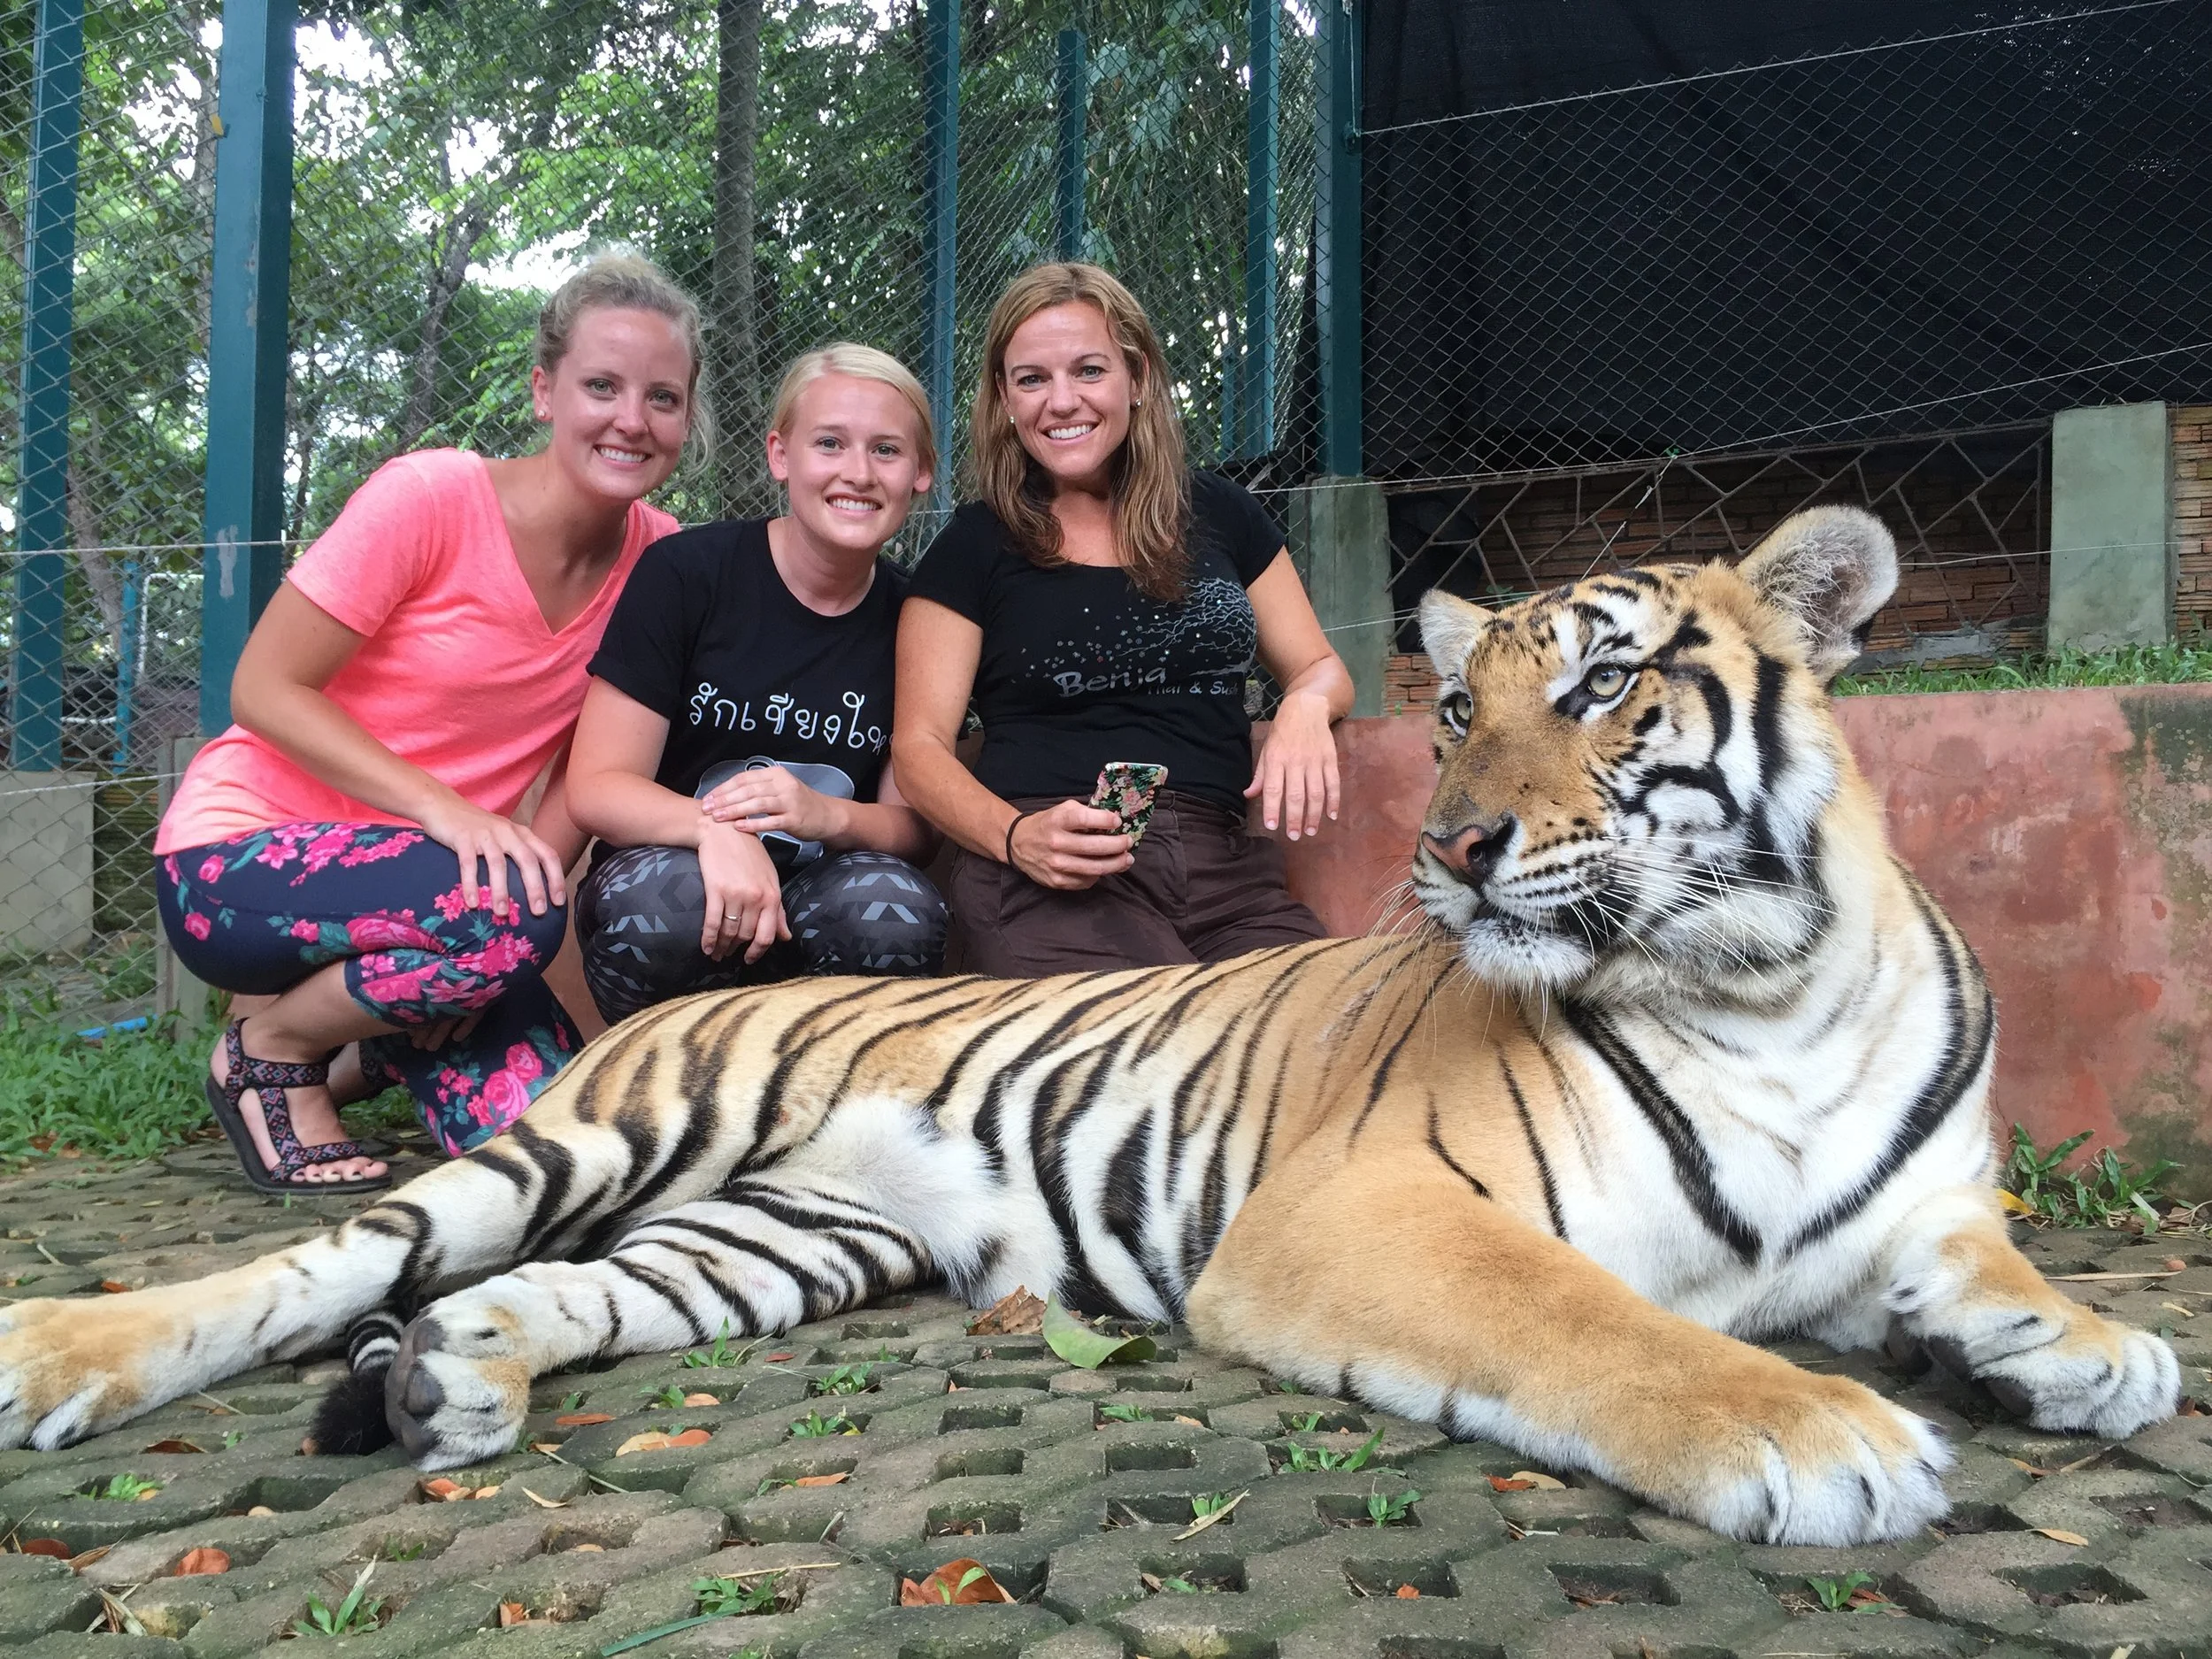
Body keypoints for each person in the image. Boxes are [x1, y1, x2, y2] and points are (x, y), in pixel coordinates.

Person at [154, 251, 701, 1190]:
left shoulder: (667, 561)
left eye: (662, 397)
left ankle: (366, 1045)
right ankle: (267, 1048)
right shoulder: (433, 495)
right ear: (542, 390)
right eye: (600, 386)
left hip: (439, 901)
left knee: (569, 1158)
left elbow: (585, 763)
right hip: (236, 862)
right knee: (506, 916)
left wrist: (488, 935)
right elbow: (265, 688)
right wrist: (450, 823)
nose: (630, 419)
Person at [893, 262, 1354, 976]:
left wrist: (1302, 707)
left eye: (1088, 370)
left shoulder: (1221, 511)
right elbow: (919, 750)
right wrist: (1017, 838)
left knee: (1330, 1027)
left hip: (1226, 868)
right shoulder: (974, 544)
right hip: (1054, 868)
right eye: (1031, 379)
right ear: (1004, 400)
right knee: (1169, 1049)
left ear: (1136, 378)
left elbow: (1321, 667)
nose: (1062, 401)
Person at [564, 344, 947, 1021]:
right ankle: (670, 1106)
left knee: (897, 910)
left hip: (824, 897)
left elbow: (913, 829)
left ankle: (827, 1110)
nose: (857, 473)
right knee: (664, 906)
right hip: (680, 883)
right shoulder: (688, 573)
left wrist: (830, 815)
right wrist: (715, 833)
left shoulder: (917, 618)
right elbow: (596, 785)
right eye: (830, 442)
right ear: (781, 455)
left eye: (886, 450)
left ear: (921, 473)